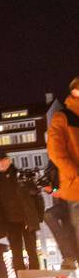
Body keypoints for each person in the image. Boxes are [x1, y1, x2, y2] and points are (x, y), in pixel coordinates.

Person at [0, 152, 41, 275]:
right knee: (16, 251)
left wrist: (38, 217)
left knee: (31, 250)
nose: (1, 164)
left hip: (27, 219)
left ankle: (36, 277)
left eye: (3, 160)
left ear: (9, 160)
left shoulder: (21, 176)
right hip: (10, 223)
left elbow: (37, 197)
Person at [47, 80, 79, 249]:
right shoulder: (63, 117)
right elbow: (55, 152)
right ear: (75, 92)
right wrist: (75, 174)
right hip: (75, 188)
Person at [39, 162, 78, 267]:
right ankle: (68, 256)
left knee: (73, 228)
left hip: (75, 200)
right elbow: (50, 186)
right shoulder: (52, 162)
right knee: (49, 215)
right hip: (61, 203)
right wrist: (49, 188)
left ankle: (71, 257)